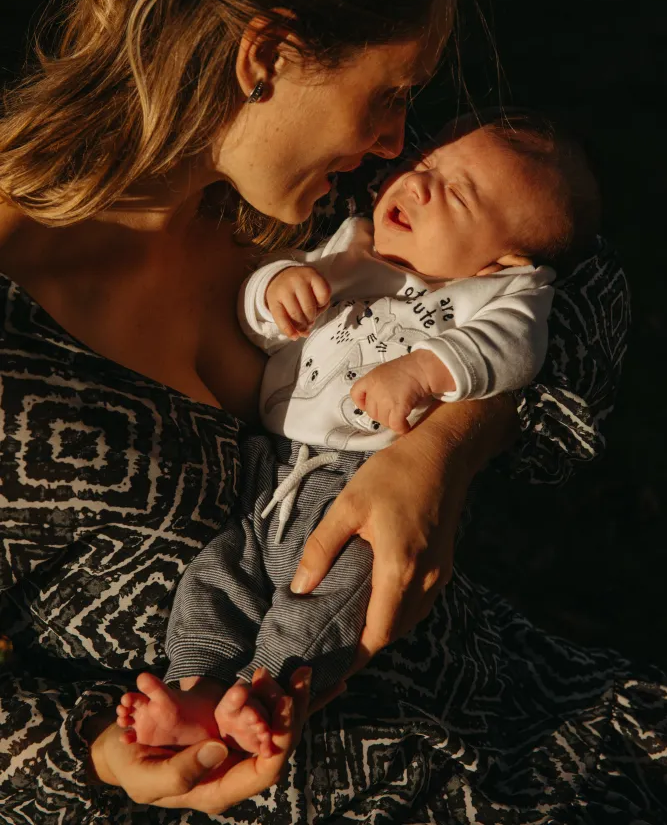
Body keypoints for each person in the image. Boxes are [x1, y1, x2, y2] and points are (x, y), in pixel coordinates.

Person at [0, 0, 664, 821]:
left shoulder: (330, 207)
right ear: (265, 54)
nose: (398, 141)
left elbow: (580, 283)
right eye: (389, 96)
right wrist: (101, 756)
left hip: (519, 727)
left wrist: (443, 446)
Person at [116, 111, 602, 757]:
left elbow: (514, 350)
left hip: (360, 482)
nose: (417, 183)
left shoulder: (503, 294)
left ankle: (266, 695)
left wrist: (426, 371)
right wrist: (275, 289)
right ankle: (198, 687)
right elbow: (265, 328)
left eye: (455, 194)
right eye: (424, 167)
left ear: (501, 261)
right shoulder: (351, 248)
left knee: (332, 597)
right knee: (216, 576)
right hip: (275, 467)